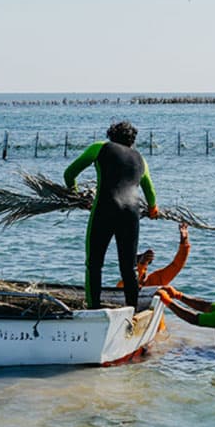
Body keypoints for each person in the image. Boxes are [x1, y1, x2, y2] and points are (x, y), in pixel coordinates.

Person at [64, 121, 158, 309]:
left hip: (106, 208)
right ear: (132, 141)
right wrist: (153, 208)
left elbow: (69, 174)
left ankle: (94, 308)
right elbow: (151, 193)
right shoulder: (141, 159)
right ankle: (132, 311)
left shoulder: (100, 147)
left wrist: (76, 195)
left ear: (111, 136)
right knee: (129, 268)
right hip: (131, 213)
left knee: (94, 264)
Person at [118, 222, 190, 289]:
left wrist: (184, 241)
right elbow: (133, 279)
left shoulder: (156, 280)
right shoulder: (122, 284)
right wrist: (143, 263)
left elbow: (177, 265)